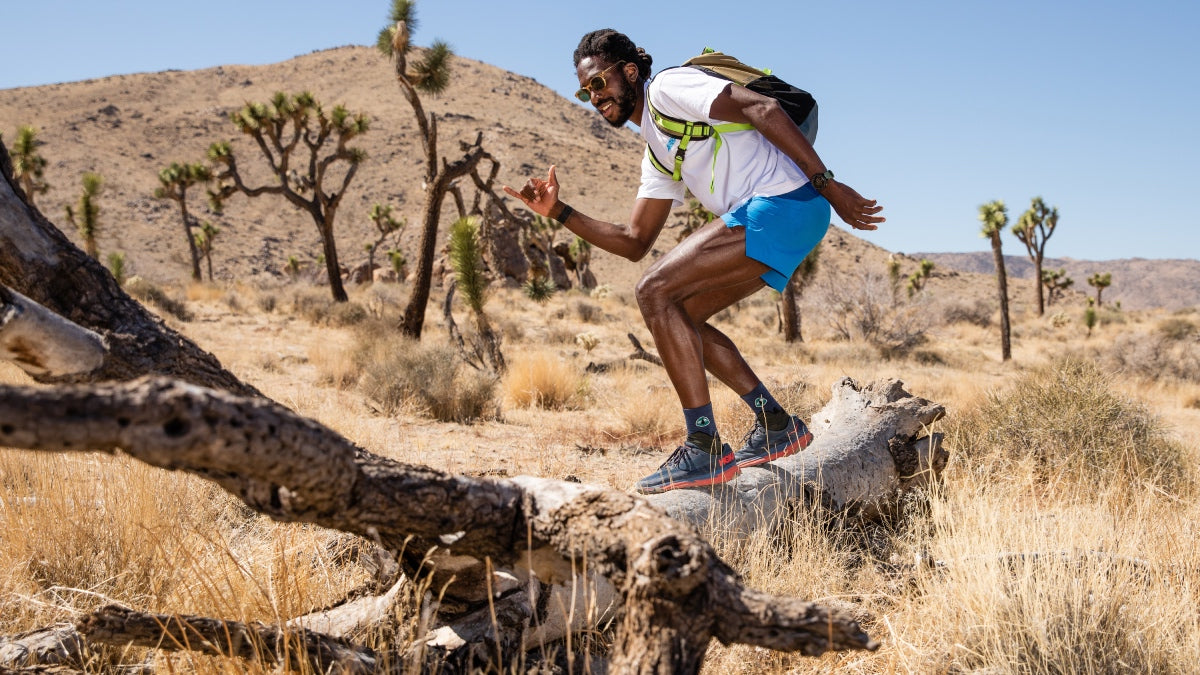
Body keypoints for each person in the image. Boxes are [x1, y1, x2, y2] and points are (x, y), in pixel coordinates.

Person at [504, 29, 884, 494]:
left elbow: (760, 108)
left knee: (653, 291)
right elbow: (633, 240)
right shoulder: (657, 149)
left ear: (629, 73)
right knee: (680, 316)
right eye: (585, 92)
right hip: (786, 216)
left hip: (783, 203)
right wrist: (558, 212)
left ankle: (702, 446)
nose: (593, 98)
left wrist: (828, 183)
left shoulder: (667, 87)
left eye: (599, 84)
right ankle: (776, 424)